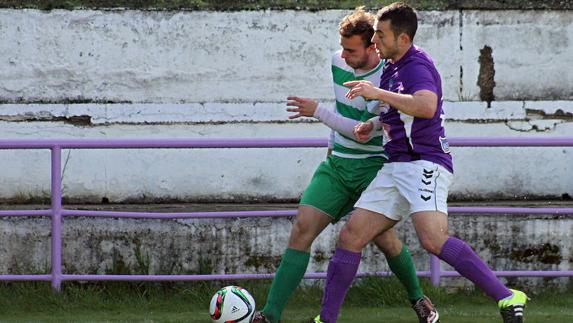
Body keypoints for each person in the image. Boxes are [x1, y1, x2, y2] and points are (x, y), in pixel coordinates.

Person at [309, 3, 528, 323]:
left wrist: (377, 94)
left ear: (403, 38)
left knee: (433, 240)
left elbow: (426, 106)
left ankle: (508, 297)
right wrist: (373, 124)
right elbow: (398, 110)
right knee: (351, 237)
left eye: (381, 35)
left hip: (424, 163)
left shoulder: (415, 65)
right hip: (395, 165)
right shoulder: (392, 66)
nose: (375, 41)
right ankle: (325, 319)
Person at [253, 7, 439, 323]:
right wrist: (330, 151)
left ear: (372, 48)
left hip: (375, 168)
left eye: (351, 49)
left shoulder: (387, 77)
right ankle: (269, 316)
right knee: (301, 229)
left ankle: (418, 299)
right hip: (338, 166)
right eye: (342, 47)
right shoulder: (338, 60)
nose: (344, 54)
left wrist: (317, 111)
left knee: (386, 241)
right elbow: (345, 109)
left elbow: (362, 132)